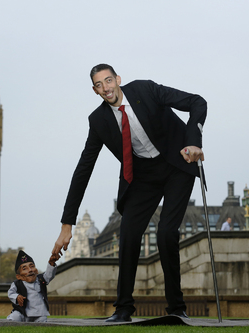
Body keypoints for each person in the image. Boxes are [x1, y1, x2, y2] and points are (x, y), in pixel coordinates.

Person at [52, 64, 206, 322]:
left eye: (109, 80)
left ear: (118, 79)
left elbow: (197, 102)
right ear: (95, 90)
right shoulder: (98, 120)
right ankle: (123, 309)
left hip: (176, 163)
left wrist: (194, 142)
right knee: (128, 233)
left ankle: (177, 307)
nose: (106, 88)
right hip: (143, 176)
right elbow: (83, 170)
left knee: (167, 232)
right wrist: (67, 223)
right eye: (99, 85)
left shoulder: (145, 90)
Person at [7, 250, 59, 322]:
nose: (30, 270)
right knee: (15, 317)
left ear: (36, 271)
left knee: (42, 323)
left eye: (32, 266)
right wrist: (17, 297)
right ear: (19, 276)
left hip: (39, 312)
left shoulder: (41, 279)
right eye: (24, 269)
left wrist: (51, 263)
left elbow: (49, 275)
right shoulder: (17, 284)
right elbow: (11, 293)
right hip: (23, 312)